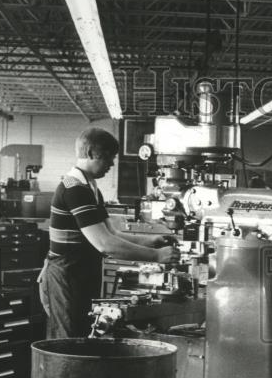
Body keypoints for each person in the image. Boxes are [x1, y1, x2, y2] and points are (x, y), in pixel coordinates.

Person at [38, 127, 179, 339]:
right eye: (108, 158)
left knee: (84, 336)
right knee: (69, 343)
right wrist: (156, 256)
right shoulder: (74, 189)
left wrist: (151, 241)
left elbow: (111, 232)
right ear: (92, 154)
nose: (112, 164)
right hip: (66, 276)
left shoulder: (91, 188)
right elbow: (105, 244)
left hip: (81, 273)